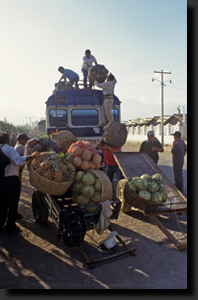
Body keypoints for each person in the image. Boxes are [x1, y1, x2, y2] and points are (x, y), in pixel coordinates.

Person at [0, 133, 39, 234]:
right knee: (13, 203)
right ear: (8, 141)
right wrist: (31, 157)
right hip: (11, 180)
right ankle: (10, 226)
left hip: (1, 181)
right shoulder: (9, 149)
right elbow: (18, 161)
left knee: (3, 203)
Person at [14, 133, 31, 218]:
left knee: (16, 192)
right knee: (16, 192)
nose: (27, 141)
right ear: (21, 140)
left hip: (17, 171)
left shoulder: (19, 146)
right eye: (26, 140)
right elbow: (29, 153)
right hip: (17, 172)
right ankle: (13, 211)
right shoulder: (20, 147)